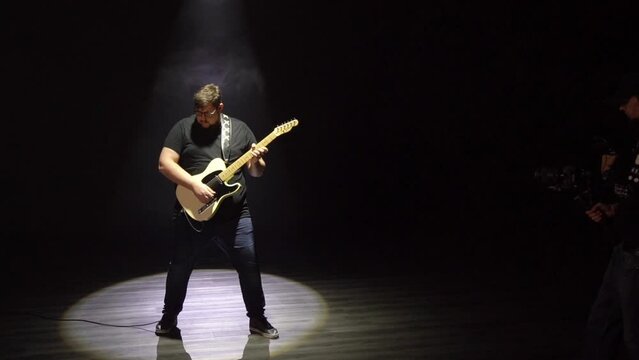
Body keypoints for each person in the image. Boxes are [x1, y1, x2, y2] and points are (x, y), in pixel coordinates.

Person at [154, 83, 279, 339]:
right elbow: (164, 164)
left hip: (234, 215)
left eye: (207, 113)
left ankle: (257, 319)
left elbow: (256, 172)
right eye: (198, 112)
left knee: (249, 266)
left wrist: (256, 161)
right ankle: (168, 319)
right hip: (193, 212)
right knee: (179, 267)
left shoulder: (240, 130)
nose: (202, 117)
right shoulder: (183, 128)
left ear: (220, 108)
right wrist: (194, 184)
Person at [583, 73, 639, 360]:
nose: (621, 108)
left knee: (634, 337)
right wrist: (612, 208)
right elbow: (632, 192)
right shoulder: (634, 142)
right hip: (623, 248)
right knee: (601, 323)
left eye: (624, 102)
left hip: (636, 253)